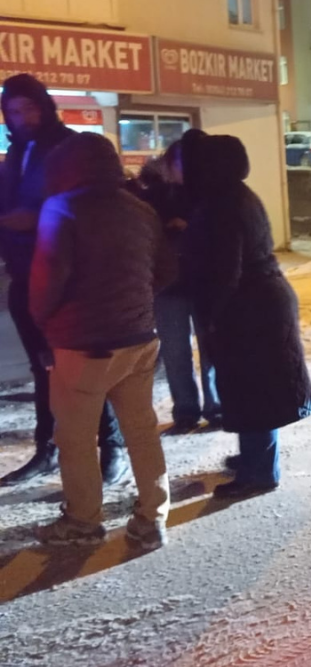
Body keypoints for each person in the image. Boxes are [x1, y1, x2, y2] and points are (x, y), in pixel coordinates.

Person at [28, 132, 174, 549]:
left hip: (84, 344)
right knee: (142, 431)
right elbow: (166, 271)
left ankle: (83, 520)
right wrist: (134, 303)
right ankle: (152, 517)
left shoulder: (62, 208)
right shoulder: (140, 209)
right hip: (139, 339)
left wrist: (44, 325)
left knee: (75, 438)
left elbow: (47, 283)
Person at [0, 73, 128, 487]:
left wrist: (36, 218)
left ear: (45, 106)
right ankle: (48, 449)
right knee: (45, 369)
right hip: (26, 275)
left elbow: (92, 206)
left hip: (70, 279)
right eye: (14, 111)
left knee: (87, 367)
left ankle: (112, 445)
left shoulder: (72, 147)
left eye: (29, 108)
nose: (22, 118)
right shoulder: (15, 153)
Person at [180, 130, 311, 499]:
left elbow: (224, 268)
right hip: (259, 301)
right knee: (251, 388)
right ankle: (253, 457)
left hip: (249, 308)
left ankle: (260, 472)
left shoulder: (223, 204)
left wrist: (211, 315)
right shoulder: (237, 195)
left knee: (255, 389)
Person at [129, 143, 222, 433]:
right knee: (174, 351)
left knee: (210, 349)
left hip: (202, 282)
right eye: (178, 163)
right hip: (168, 285)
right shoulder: (151, 194)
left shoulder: (209, 193)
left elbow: (219, 236)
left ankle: (216, 408)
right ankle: (185, 411)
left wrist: (189, 227)